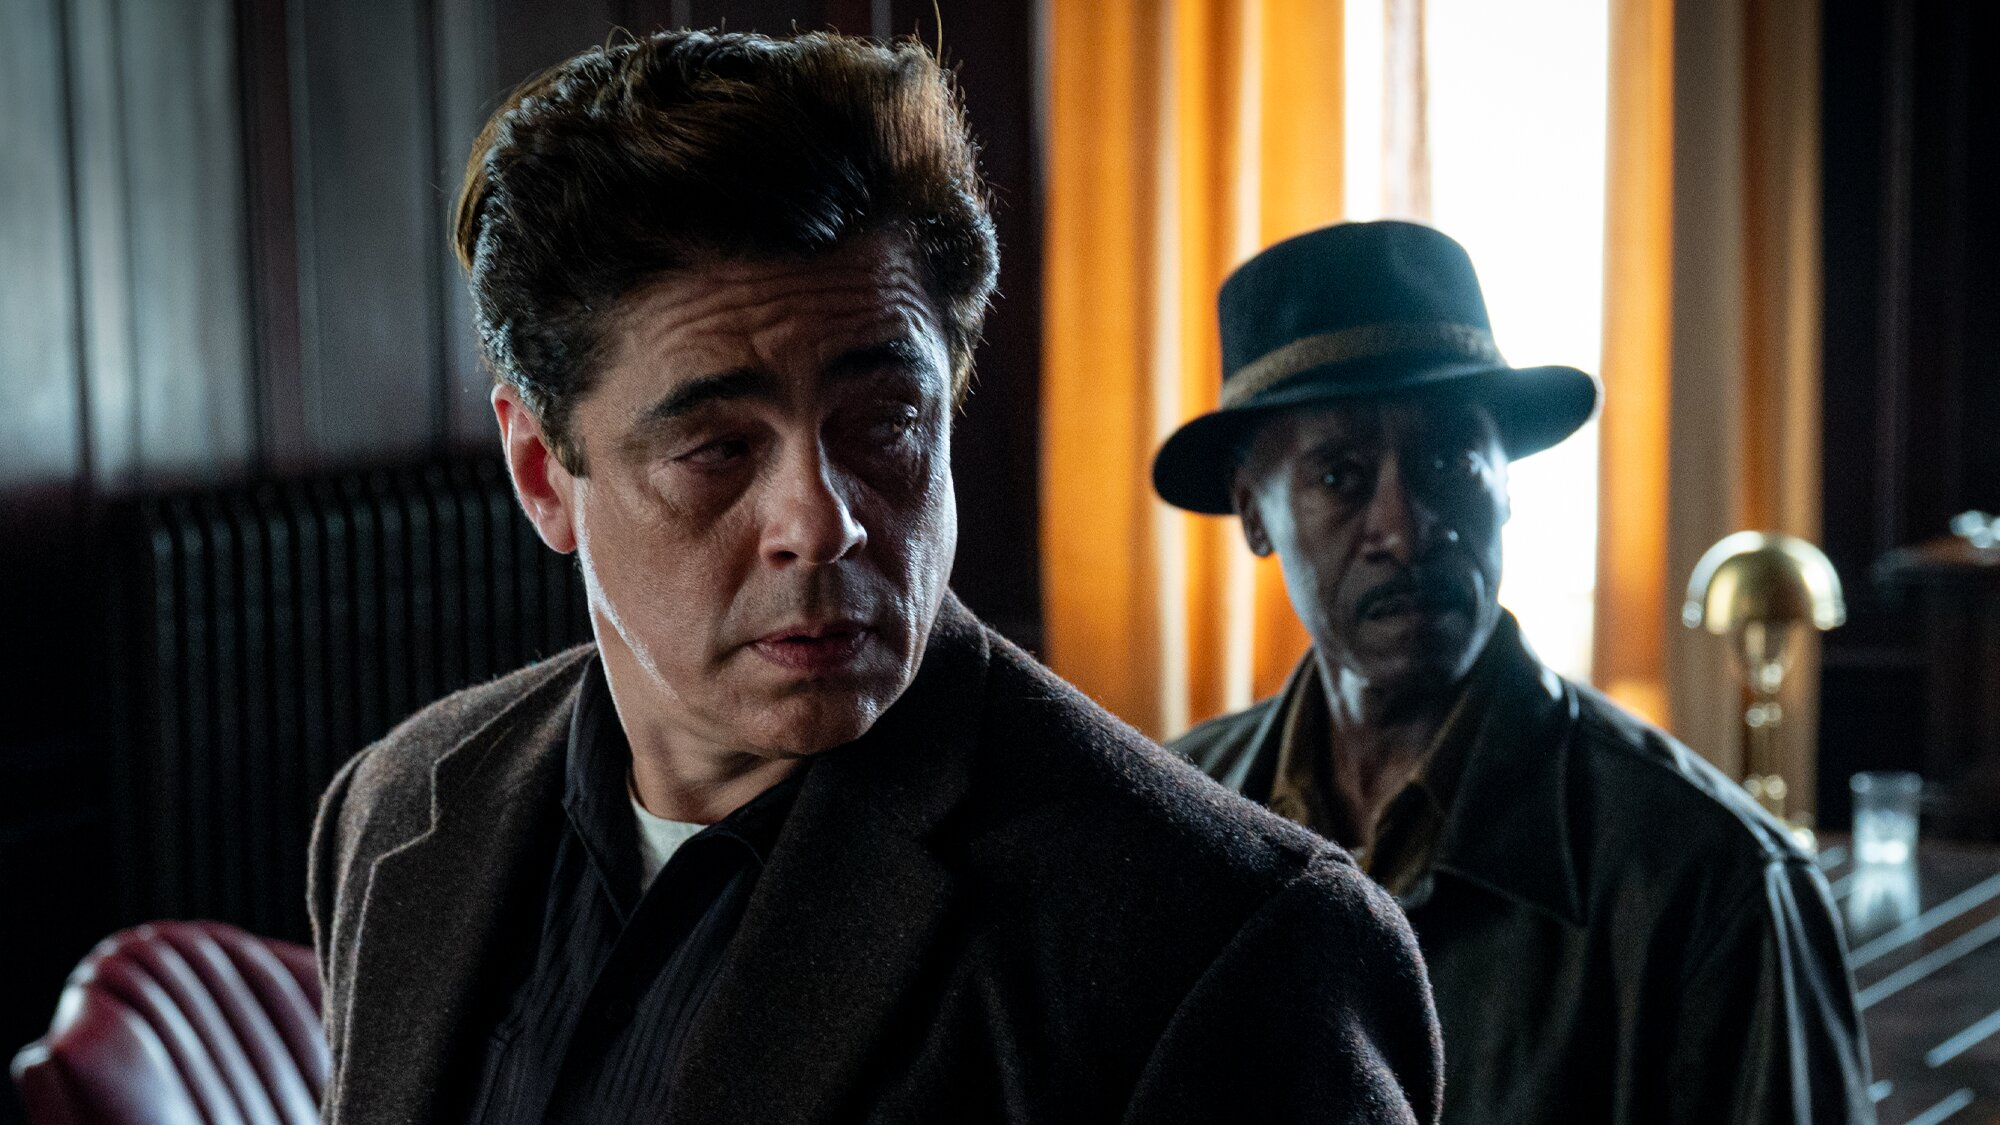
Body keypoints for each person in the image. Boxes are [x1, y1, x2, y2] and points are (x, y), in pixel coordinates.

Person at [309, 32, 1442, 1125]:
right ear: (541, 475)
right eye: (719, 448)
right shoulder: (399, 809)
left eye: (886, 423)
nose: (821, 523)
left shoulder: (1226, 942)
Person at [1156, 221, 1874, 1124]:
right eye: (1340, 475)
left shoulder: (1710, 880)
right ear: (1254, 513)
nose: (1406, 529)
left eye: (1449, 459)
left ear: (1507, 484)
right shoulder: (1172, 820)